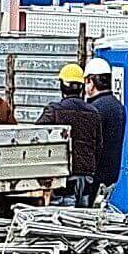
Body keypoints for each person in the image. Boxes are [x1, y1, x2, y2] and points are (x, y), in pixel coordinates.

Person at [35, 63, 101, 205]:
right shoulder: (94, 112)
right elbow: (99, 146)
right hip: (87, 176)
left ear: (62, 86)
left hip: (64, 176)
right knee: (84, 219)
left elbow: (37, 137)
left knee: (64, 220)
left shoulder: (54, 110)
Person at [83, 57, 126, 203]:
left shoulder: (95, 109)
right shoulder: (118, 106)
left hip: (94, 176)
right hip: (112, 175)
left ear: (91, 82)